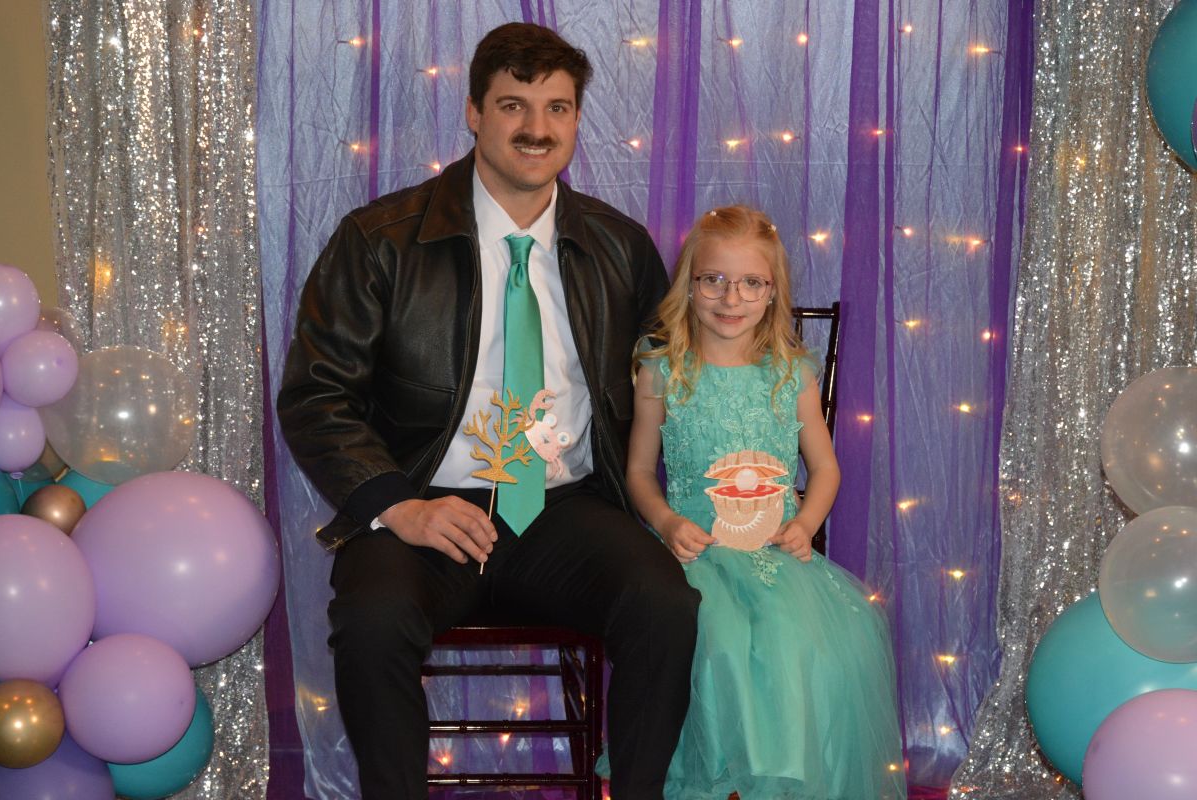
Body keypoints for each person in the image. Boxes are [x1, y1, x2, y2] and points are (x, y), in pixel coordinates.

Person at [277, 22, 700, 800]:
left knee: (664, 604)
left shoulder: (619, 247)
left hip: (564, 510)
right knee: (371, 623)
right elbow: (316, 393)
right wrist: (400, 507)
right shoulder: (380, 240)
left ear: (576, 119)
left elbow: (676, 378)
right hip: (425, 506)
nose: (537, 128)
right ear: (474, 112)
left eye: (557, 108)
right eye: (513, 105)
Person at [627, 206, 907, 800]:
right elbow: (639, 471)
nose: (731, 298)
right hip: (690, 550)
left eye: (751, 282)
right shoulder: (662, 369)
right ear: (689, 284)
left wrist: (805, 524)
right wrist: (666, 521)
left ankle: (778, 784)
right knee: (716, 636)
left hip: (774, 549)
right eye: (714, 280)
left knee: (803, 639)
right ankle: (717, 782)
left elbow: (825, 468)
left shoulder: (788, 373)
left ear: (773, 290)